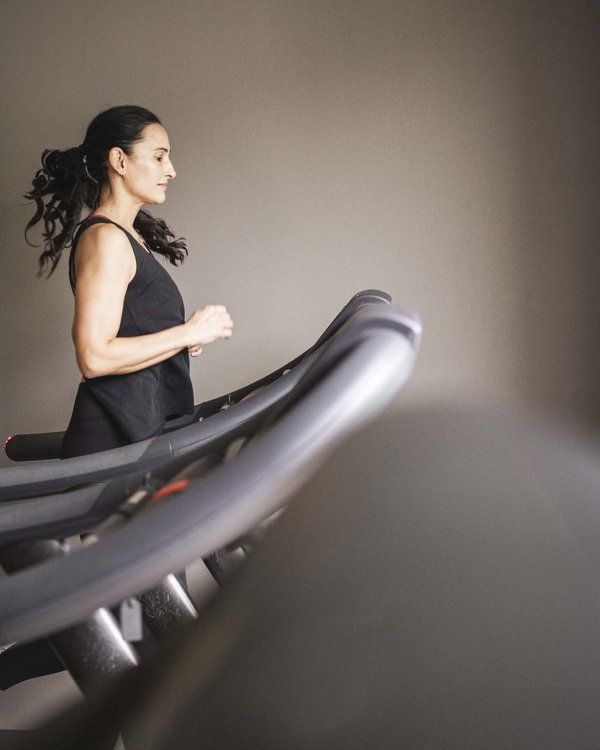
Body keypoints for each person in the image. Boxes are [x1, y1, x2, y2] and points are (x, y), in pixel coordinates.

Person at [24, 105, 233, 458]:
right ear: (119, 161)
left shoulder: (127, 236)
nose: (171, 170)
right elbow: (94, 356)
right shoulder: (105, 239)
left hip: (139, 435)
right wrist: (188, 333)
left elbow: (127, 331)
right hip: (108, 444)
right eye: (159, 157)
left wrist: (176, 341)